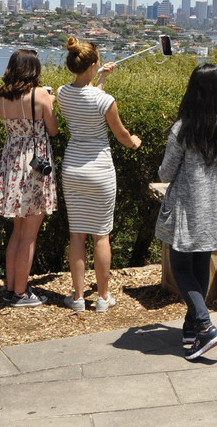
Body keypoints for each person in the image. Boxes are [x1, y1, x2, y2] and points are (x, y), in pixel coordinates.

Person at [155, 64, 217, 360]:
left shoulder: (184, 127)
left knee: (181, 267)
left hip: (187, 208)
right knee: (200, 264)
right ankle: (192, 327)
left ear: (192, 90)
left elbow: (166, 171)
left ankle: (205, 326)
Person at [55, 38, 141, 312]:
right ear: (93, 65)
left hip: (73, 168)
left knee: (77, 235)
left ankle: (78, 297)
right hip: (100, 171)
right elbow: (120, 133)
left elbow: (85, 102)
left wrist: (101, 78)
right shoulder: (106, 100)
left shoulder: (62, 93)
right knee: (101, 236)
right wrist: (134, 142)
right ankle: (103, 298)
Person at [0, 49, 58, 307]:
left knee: (17, 232)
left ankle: (11, 287)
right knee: (29, 234)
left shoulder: (0, 95)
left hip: (11, 161)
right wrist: (51, 102)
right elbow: (52, 130)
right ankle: (20, 293)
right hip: (34, 165)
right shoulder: (40, 95)